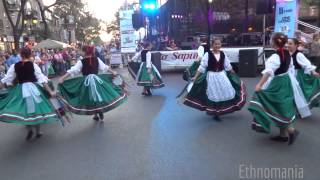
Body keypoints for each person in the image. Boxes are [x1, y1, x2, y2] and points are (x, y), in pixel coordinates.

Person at [248, 33, 303, 145]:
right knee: (282, 105)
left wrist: (259, 85)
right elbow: (290, 68)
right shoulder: (288, 54)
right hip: (286, 81)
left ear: (273, 43)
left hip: (278, 82)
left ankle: (291, 130)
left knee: (271, 104)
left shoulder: (275, 57)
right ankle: (283, 135)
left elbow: (268, 72)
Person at [0, 47, 60, 141]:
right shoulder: (33, 65)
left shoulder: (15, 66)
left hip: (21, 90)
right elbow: (42, 80)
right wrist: (51, 92)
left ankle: (29, 128)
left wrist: (2, 85)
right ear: (30, 55)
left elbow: (6, 79)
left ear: (21, 55)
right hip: (33, 89)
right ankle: (37, 132)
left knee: (25, 110)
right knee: (36, 109)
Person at [58, 46, 128, 121]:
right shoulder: (96, 59)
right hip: (96, 80)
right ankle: (99, 111)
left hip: (87, 82)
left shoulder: (81, 61)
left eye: (82, 51)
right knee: (99, 95)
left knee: (90, 97)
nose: (80, 52)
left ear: (85, 52)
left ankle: (96, 113)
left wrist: (63, 78)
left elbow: (73, 70)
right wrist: (113, 72)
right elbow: (104, 67)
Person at [183, 38, 246, 121]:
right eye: (215, 44)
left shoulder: (223, 54)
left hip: (222, 76)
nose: (217, 45)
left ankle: (221, 109)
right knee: (214, 94)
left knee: (224, 92)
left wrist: (233, 73)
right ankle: (216, 113)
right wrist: (195, 77)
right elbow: (202, 67)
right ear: (212, 45)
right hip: (211, 77)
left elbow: (227, 66)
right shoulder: (207, 54)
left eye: (219, 44)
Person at [288, 38, 320, 110]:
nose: (288, 45)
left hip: (296, 75)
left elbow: (307, 64)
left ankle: (298, 109)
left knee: (298, 93)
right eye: (287, 43)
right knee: (291, 92)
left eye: (290, 44)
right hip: (288, 75)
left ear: (296, 45)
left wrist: (313, 71)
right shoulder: (287, 53)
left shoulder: (298, 54)